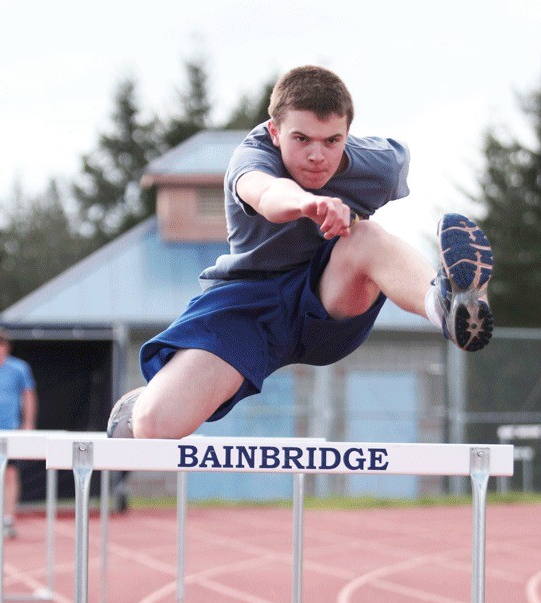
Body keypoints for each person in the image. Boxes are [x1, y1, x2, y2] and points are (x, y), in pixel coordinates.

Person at [108, 65, 493, 440]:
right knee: (156, 425)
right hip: (246, 306)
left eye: (332, 141)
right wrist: (309, 204)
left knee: (367, 237)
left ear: (346, 133)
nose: (317, 155)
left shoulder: (381, 166)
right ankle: (143, 405)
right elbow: (267, 194)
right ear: (275, 132)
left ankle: (444, 305)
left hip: (324, 299)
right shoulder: (251, 157)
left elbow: (387, 237)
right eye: (302, 139)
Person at [0, 327, 37, 537]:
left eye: (0, 345)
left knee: (10, 476)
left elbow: (28, 395)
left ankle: (7, 520)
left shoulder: (19, 369)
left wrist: (28, 422)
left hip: (10, 430)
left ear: (6, 347)